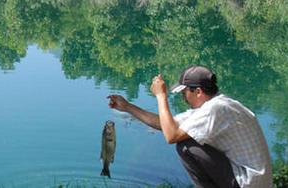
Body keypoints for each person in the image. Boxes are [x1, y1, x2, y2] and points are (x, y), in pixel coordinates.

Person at [107, 65, 272, 188]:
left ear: (198, 91)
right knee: (186, 139)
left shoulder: (215, 109)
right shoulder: (217, 105)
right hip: (252, 180)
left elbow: (171, 136)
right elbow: (165, 125)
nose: (183, 98)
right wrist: (127, 107)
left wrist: (161, 96)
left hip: (248, 183)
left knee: (185, 145)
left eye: (184, 93)